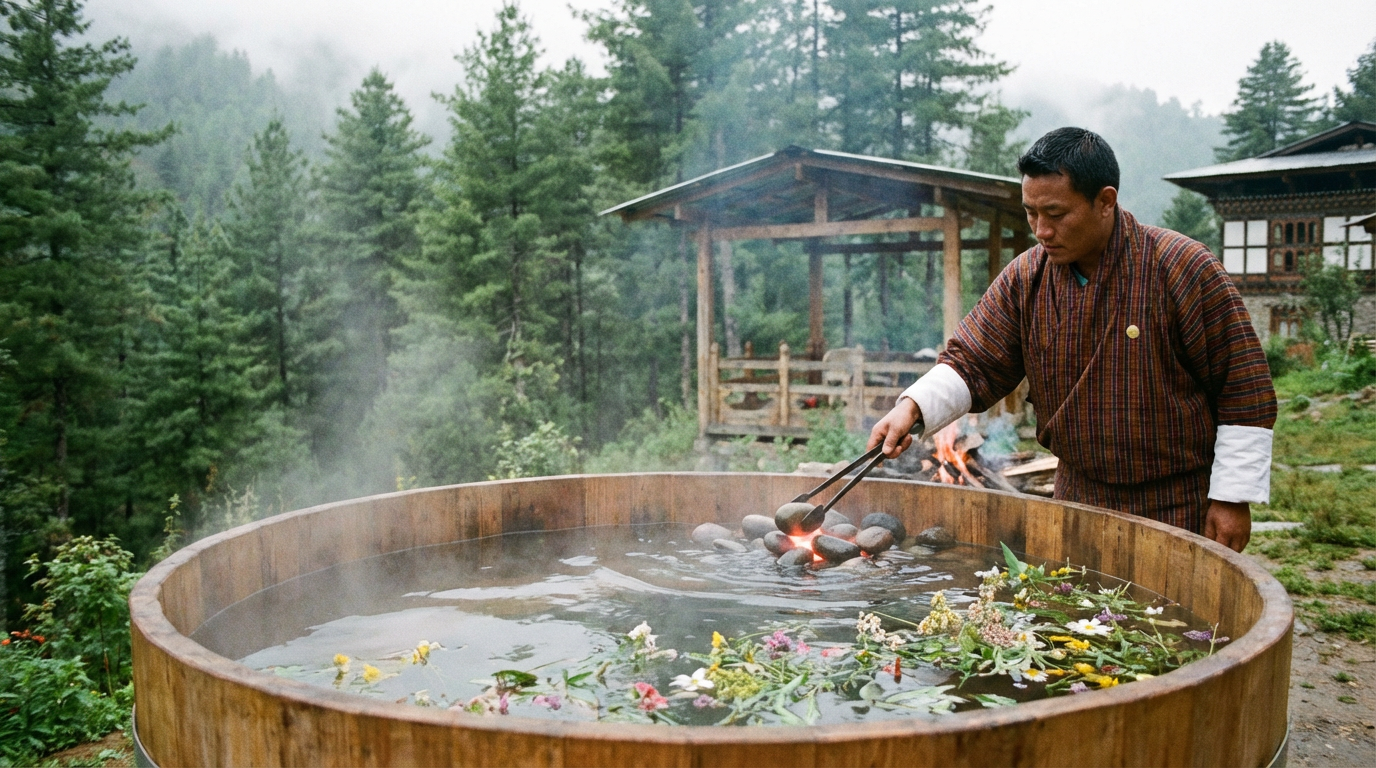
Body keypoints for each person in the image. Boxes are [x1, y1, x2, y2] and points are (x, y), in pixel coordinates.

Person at [868, 128, 1276, 553]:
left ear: (1105, 201)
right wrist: (910, 408)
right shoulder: (1027, 278)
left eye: (1056, 214)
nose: (1041, 231)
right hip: (1078, 495)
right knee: (1076, 614)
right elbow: (973, 360)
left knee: (1170, 620)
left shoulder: (1181, 266)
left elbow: (1242, 388)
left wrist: (1231, 497)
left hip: (1177, 501)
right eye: (1031, 214)